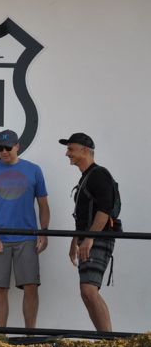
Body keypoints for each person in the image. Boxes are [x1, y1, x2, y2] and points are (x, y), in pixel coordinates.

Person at [0, 129, 50, 329]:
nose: (3, 151)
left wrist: (44, 232)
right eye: (0, 148)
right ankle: (1, 339)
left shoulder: (34, 170)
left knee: (30, 287)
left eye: (7, 147)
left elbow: (43, 204)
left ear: (17, 146)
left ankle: (31, 335)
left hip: (27, 237)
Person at [60, 132, 116, 331]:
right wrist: (75, 240)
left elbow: (104, 209)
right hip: (90, 238)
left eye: (71, 149)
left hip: (99, 237)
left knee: (89, 290)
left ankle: (108, 342)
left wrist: (90, 238)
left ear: (85, 150)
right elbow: (83, 215)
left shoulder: (99, 174)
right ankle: (104, 339)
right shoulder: (87, 176)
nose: (67, 153)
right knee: (87, 292)